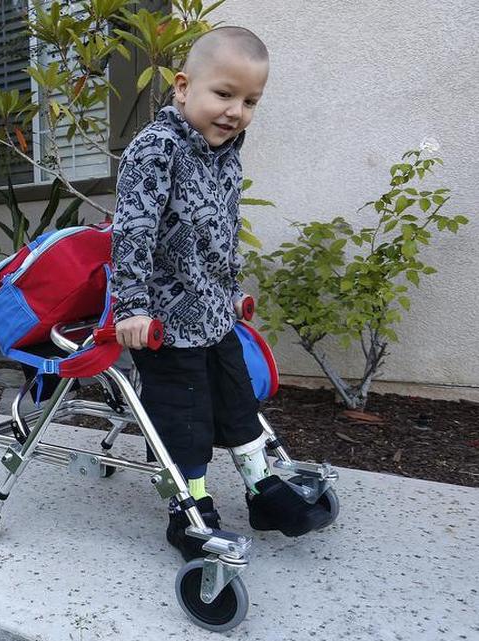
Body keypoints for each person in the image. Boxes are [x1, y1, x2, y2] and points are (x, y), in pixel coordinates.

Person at [111, 27, 328, 560]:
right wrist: (132, 306)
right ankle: (190, 509)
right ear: (183, 87)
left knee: (238, 403)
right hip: (164, 323)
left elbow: (224, 229)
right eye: (224, 94)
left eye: (250, 101)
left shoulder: (225, 152)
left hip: (213, 315)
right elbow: (132, 232)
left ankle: (261, 489)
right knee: (184, 417)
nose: (236, 111)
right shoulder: (155, 149)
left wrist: (230, 290)